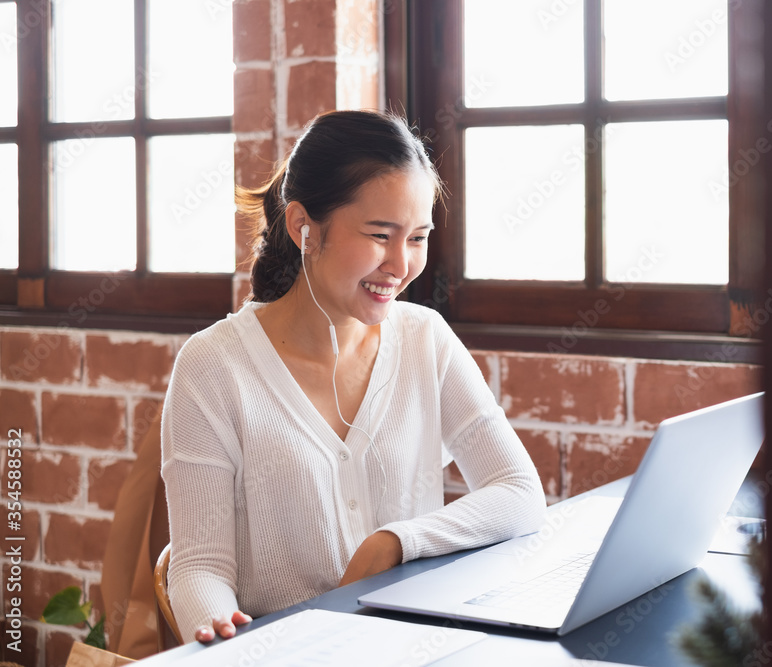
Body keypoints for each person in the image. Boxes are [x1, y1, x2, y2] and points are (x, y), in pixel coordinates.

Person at [160, 110, 546, 643]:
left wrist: (397, 541)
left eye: (417, 238)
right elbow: (199, 565)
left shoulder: (424, 339)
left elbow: (519, 492)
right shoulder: (213, 367)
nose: (400, 264)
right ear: (303, 227)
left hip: (412, 647)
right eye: (380, 235)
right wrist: (221, 631)